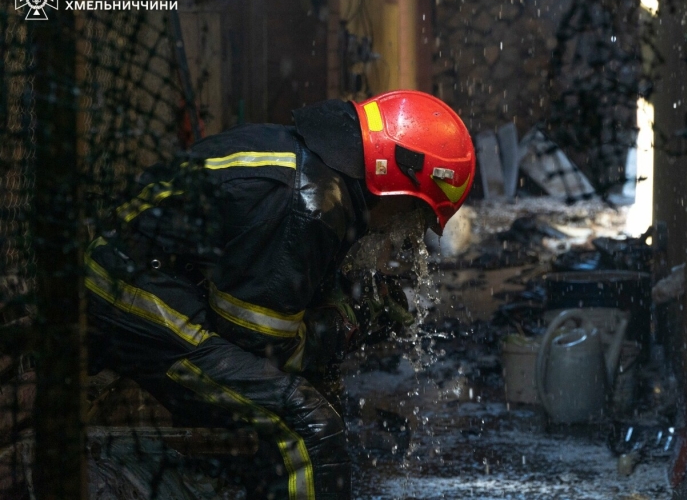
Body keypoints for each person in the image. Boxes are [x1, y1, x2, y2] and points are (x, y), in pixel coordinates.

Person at [84, 90, 475, 499]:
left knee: (309, 396)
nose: (402, 230)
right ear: (396, 186)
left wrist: (345, 307)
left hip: (163, 279)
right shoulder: (310, 203)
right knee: (309, 428)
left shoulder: (321, 170)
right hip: (126, 289)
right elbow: (262, 344)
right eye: (412, 214)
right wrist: (345, 325)